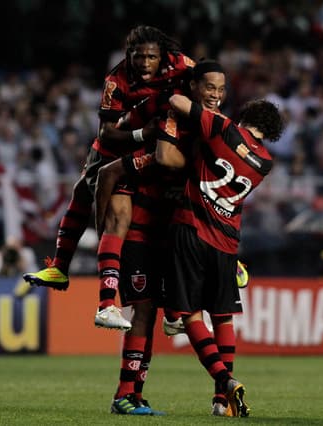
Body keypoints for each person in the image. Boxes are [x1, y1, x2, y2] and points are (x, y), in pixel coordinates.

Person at [23, 26, 193, 332]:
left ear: (163, 57)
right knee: (117, 217)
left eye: (150, 57)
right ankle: (105, 303)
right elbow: (106, 133)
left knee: (176, 209)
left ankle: (186, 298)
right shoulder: (116, 81)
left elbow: (208, 78)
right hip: (116, 152)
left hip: (153, 152)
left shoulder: (180, 64)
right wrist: (145, 133)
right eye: (137, 56)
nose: (143, 63)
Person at [96, 59, 227, 416]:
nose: (215, 96)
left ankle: (135, 393)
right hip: (142, 231)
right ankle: (125, 394)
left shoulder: (213, 129)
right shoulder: (175, 119)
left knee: (167, 312)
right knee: (143, 311)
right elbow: (162, 157)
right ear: (194, 88)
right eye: (208, 88)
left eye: (220, 90)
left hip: (176, 235)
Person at [156, 94, 284, 417]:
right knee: (223, 316)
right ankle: (220, 403)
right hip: (227, 245)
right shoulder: (266, 163)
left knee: (191, 316)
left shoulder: (223, 128)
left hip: (193, 230)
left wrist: (200, 105)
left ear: (247, 112)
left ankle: (225, 381)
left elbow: (177, 102)